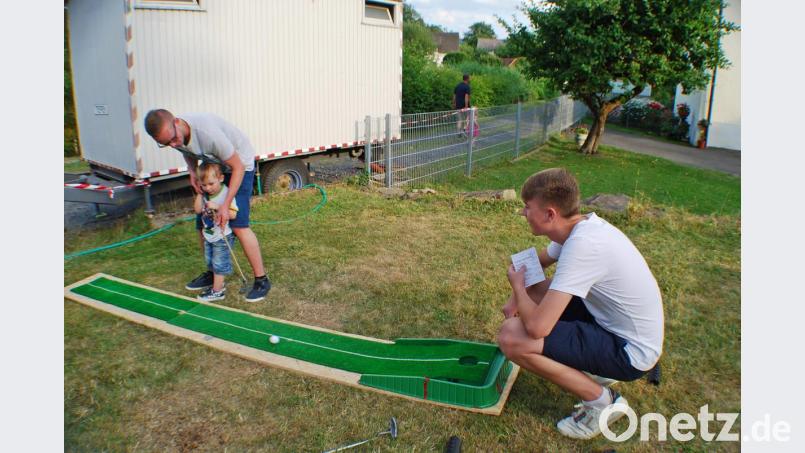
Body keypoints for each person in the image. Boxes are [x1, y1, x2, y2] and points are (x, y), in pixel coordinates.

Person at [497, 168, 664, 439]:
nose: (523, 213)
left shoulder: (584, 246)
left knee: (512, 337)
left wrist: (517, 288)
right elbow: (532, 264)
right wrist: (515, 298)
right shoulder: (579, 227)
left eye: (527, 207)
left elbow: (538, 328)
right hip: (609, 323)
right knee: (537, 290)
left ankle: (603, 402)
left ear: (550, 214)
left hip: (631, 352)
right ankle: (595, 367)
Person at [144, 109, 271, 302]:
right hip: (215, 166)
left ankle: (261, 280)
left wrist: (225, 205)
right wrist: (192, 171)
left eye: (173, 139)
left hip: (240, 165)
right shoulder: (174, 135)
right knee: (203, 221)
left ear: (177, 122)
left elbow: (237, 166)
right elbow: (186, 150)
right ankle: (213, 273)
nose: (173, 144)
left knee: (238, 224)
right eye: (166, 144)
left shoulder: (207, 134)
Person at [193, 163, 238, 302]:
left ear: (221, 178)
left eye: (211, 184)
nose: (208, 188)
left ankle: (218, 292)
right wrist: (200, 193)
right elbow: (197, 210)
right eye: (204, 185)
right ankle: (218, 284)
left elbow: (233, 214)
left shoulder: (227, 193)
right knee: (210, 262)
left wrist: (218, 207)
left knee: (219, 264)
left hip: (222, 237)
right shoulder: (205, 194)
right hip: (209, 236)